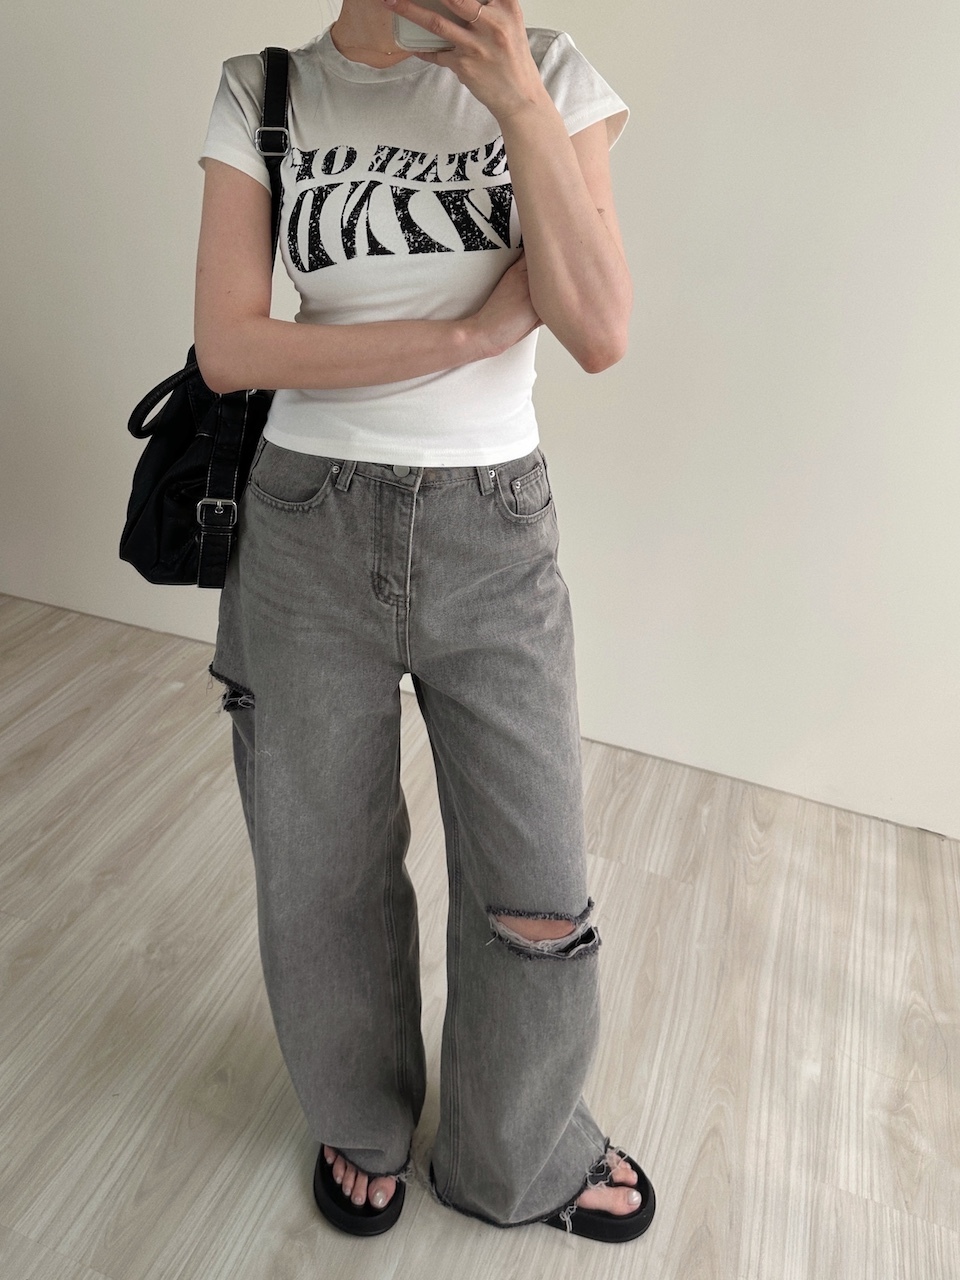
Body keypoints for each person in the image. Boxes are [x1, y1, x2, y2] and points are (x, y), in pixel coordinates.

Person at [194, 0, 654, 1244]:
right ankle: (361, 1117)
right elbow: (231, 344)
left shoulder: (551, 74)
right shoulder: (266, 88)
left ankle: (518, 1151)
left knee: (535, 881)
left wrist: (516, 100)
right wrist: (467, 331)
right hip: (304, 523)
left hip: (490, 530)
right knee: (321, 868)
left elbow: (600, 327)